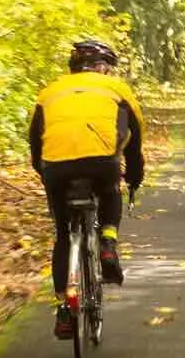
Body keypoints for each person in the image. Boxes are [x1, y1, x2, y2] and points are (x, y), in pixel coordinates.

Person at [28, 39, 146, 339]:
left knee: (64, 235)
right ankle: (107, 242)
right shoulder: (117, 89)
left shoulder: (49, 91)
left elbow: (35, 141)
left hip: (56, 166)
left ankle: (64, 311)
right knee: (110, 190)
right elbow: (136, 136)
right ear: (103, 67)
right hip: (101, 163)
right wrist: (134, 176)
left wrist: (45, 174)